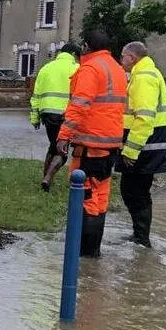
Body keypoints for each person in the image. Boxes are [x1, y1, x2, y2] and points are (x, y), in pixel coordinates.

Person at [56, 29, 128, 258]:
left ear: (87, 46)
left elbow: (79, 105)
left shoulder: (90, 69)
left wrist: (63, 136)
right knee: (100, 198)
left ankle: (82, 255)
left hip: (89, 144)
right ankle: (93, 252)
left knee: (85, 196)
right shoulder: (117, 68)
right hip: (110, 144)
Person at [117, 41, 166, 248]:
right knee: (136, 192)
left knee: (135, 192)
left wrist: (130, 151)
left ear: (133, 58)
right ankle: (139, 236)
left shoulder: (143, 78)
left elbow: (144, 118)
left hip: (144, 147)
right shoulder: (148, 73)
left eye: (123, 55)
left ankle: (142, 239)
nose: (121, 59)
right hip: (148, 145)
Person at [30, 43, 81, 191]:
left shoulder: (46, 68)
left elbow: (36, 95)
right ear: (74, 55)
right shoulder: (77, 69)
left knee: (53, 145)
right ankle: (48, 178)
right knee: (62, 149)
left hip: (47, 114)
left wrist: (35, 118)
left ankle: (45, 178)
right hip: (67, 114)